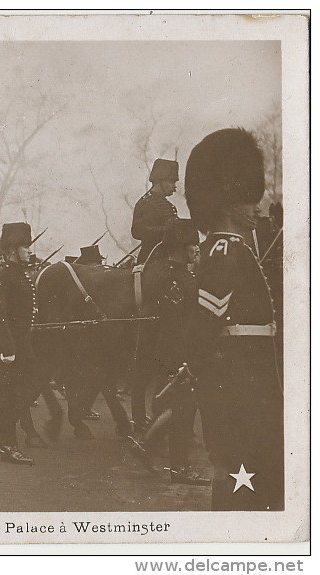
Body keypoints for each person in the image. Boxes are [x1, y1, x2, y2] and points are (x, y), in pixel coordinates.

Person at [184, 128, 283, 511]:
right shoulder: (225, 251)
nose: (256, 208)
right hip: (240, 392)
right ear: (227, 203)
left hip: (251, 388)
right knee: (243, 483)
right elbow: (205, 331)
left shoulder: (236, 249)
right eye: (247, 200)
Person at [129, 218, 210, 485]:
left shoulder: (167, 274)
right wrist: (189, 358)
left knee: (174, 405)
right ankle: (177, 467)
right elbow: (182, 324)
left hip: (167, 351)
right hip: (179, 353)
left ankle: (148, 447)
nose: (196, 249)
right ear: (179, 247)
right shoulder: (182, 279)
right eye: (191, 244)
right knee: (182, 408)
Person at [0, 222, 42, 465]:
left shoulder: (19, 274)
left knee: (24, 391)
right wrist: (7, 349)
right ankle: (7, 443)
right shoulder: (5, 277)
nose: (29, 251)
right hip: (11, 349)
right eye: (25, 247)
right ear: (12, 251)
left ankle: (1, 435)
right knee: (14, 394)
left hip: (23, 346)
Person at [132, 158, 179, 264]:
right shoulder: (145, 203)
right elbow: (137, 231)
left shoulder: (169, 206)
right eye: (172, 182)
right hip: (151, 260)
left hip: (169, 258)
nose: (175, 187)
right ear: (160, 180)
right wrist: (166, 230)